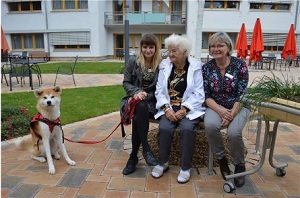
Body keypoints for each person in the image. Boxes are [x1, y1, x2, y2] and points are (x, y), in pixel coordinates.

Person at [151, 34, 206, 184]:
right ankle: (163, 163)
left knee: (188, 129)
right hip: (169, 106)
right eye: (169, 51)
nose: (170, 54)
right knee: (164, 128)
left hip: (189, 108)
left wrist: (184, 110)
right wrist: (166, 109)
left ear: (184, 52)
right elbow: (159, 91)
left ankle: (185, 168)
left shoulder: (195, 66)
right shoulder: (165, 65)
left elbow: (199, 93)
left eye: (174, 51)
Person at [202, 32, 250, 187]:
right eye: (213, 46)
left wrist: (231, 114)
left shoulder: (240, 65)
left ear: (228, 47)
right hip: (215, 106)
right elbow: (206, 95)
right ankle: (222, 160)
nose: (216, 49)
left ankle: (239, 164)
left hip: (238, 105)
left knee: (233, 133)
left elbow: (242, 94)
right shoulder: (207, 68)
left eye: (220, 45)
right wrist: (221, 111)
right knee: (210, 125)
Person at [121, 34, 161, 175]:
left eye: (151, 47)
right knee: (139, 106)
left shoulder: (161, 64)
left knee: (139, 114)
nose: (148, 50)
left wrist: (146, 95)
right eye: (145, 47)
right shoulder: (133, 62)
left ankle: (133, 157)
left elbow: (161, 88)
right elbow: (126, 82)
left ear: (156, 48)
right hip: (134, 99)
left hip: (153, 101)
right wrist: (137, 92)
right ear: (141, 48)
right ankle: (146, 149)